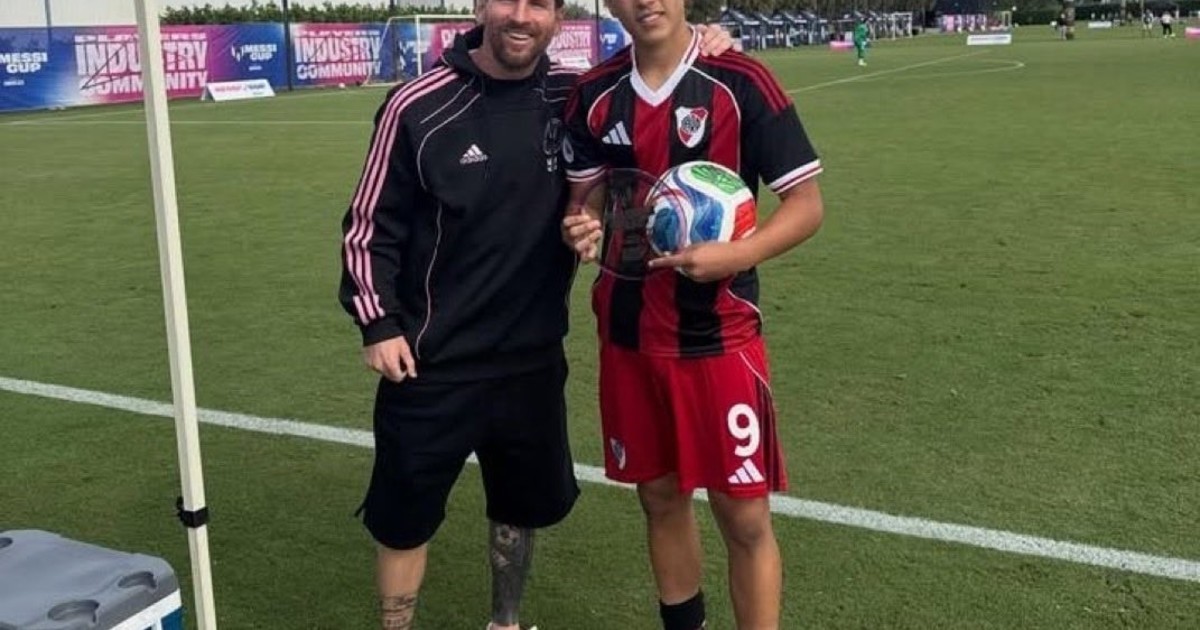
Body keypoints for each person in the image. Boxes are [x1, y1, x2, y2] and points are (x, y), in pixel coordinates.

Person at [336, 1, 733, 626]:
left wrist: (704, 40)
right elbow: (368, 227)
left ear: (558, 16)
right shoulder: (416, 105)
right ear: (479, 7)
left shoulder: (573, 95)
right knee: (403, 518)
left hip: (532, 358)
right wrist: (378, 324)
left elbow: (648, 83)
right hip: (431, 361)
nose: (522, 16)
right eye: (507, 0)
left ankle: (506, 622)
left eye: (540, 4)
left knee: (519, 506)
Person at [559, 0, 825, 625]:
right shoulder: (594, 94)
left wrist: (740, 252)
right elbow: (587, 197)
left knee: (744, 516)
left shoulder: (740, 81)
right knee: (659, 498)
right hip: (628, 334)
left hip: (718, 337)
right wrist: (583, 223)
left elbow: (807, 204)